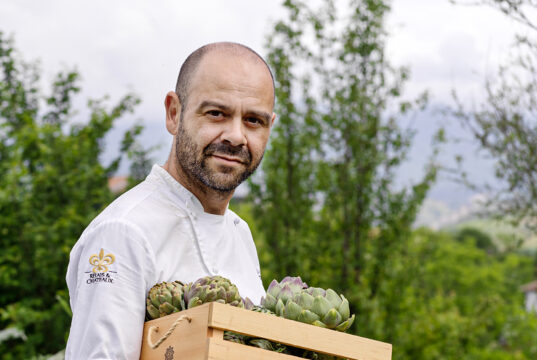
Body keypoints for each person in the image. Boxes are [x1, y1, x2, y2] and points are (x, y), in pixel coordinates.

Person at [64, 42, 276, 359]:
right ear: (174, 113)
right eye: (217, 113)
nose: (235, 136)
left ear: (269, 127)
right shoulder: (123, 233)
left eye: (253, 120)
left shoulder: (239, 232)